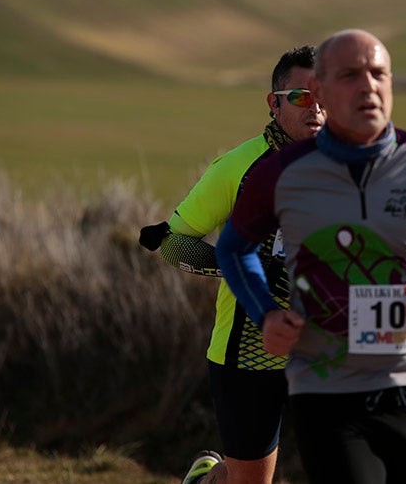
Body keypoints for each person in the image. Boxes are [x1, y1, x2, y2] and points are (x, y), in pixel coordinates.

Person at [214, 29, 406, 483]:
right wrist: (265, 312)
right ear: (321, 92)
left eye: (378, 73)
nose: (367, 86)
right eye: (350, 75)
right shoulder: (279, 172)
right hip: (324, 384)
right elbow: (234, 248)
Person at [140, 45, 325, 484]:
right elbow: (172, 245)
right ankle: (206, 480)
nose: (315, 108)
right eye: (301, 96)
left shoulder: (353, 168)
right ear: (274, 103)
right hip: (248, 352)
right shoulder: (238, 168)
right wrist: (243, 267)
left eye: (325, 95)